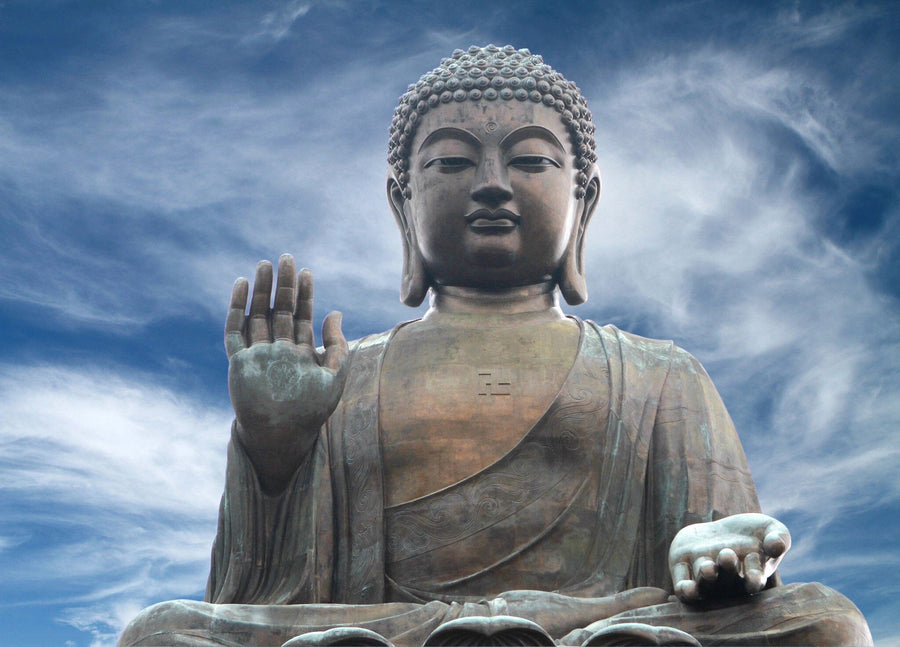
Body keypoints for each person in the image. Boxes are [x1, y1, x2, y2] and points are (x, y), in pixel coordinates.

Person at [119, 45, 871, 647]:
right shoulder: (345, 378)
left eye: (531, 160)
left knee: (826, 624)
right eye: (449, 162)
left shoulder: (662, 375)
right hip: (388, 633)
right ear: (400, 202)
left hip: (601, 624)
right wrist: (273, 453)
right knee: (160, 634)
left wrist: (717, 553)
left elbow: (721, 562)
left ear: (586, 200)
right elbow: (255, 600)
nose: (489, 184)